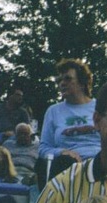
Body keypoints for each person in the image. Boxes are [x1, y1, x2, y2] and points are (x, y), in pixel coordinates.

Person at [35, 59, 100, 188]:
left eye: (67, 79)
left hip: (100, 161)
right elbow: (43, 149)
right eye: (59, 81)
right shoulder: (53, 111)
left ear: (82, 83)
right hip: (68, 165)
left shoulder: (101, 107)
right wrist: (61, 152)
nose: (62, 84)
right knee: (64, 164)